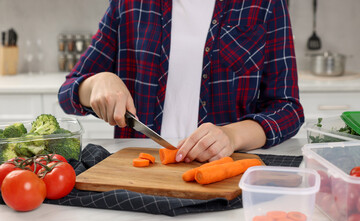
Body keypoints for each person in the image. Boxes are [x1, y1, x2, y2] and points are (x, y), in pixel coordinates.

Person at [58, 0, 304, 163]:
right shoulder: (128, 3)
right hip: (139, 168)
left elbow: (288, 109)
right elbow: (69, 91)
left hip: (224, 169)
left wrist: (231, 136)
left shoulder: (266, 4)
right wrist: (98, 82)